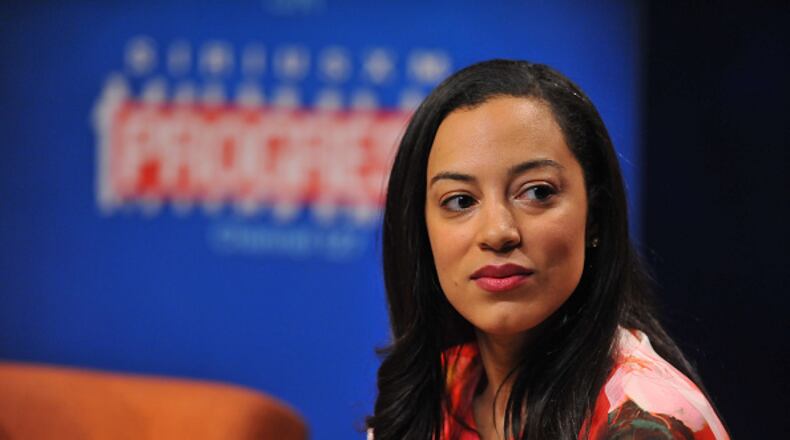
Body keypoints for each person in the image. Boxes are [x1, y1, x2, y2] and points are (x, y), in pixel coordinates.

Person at [366, 60, 728, 439]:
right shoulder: (436, 393)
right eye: (459, 201)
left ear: (595, 218)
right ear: (421, 230)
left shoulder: (647, 421)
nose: (498, 232)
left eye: (537, 192)